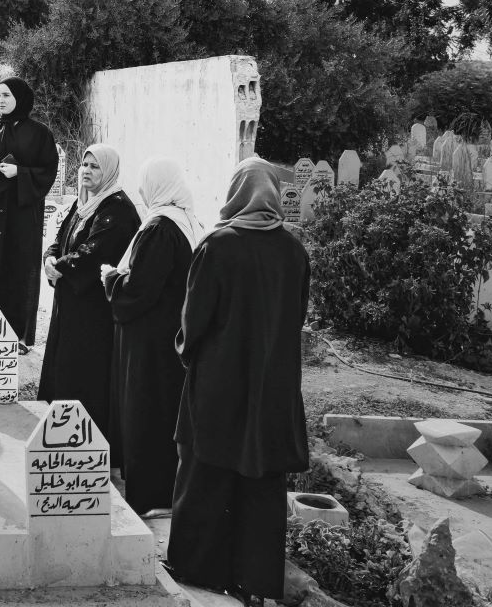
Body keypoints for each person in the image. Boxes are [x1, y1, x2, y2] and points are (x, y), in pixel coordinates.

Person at [166, 158, 310, 606]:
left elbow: (194, 322)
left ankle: (197, 568)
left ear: (236, 192)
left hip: (219, 383)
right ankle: (256, 580)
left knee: (205, 472)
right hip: (274, 386)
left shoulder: (217, 246)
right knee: (262, 481)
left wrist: (186, 352)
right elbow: (297, 318)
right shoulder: (294, 251)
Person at [100, 158, 206, 516]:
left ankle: (149, 497)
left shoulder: (160, 227)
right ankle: (164, 491)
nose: (142, 190)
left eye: (145, 183)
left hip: (149, 340)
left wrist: (112, 279)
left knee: (145, 413)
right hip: (172, 334)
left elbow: (140, 288)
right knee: (164, 413)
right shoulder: (188, 221)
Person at [38, 144, 139, 444]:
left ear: (107, 171)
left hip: (93, 311)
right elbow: (61, 238)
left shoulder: (117, 209)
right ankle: (59, 436)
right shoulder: (85, 203)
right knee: (64, 370)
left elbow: (95, 253)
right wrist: (49, 259)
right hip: (70, 304)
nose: (86, 171)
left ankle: (83, 444)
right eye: (84, 165)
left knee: (85, 376)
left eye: (95, 167)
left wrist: (61, 267)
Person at [0, 77, 59, 345]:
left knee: (18, 269)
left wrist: (21, 173)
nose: (1, 100)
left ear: (20, 97)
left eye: (6, 95)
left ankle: (18, 334)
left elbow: (48, 172)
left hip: (21, 214)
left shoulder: (40, 133)